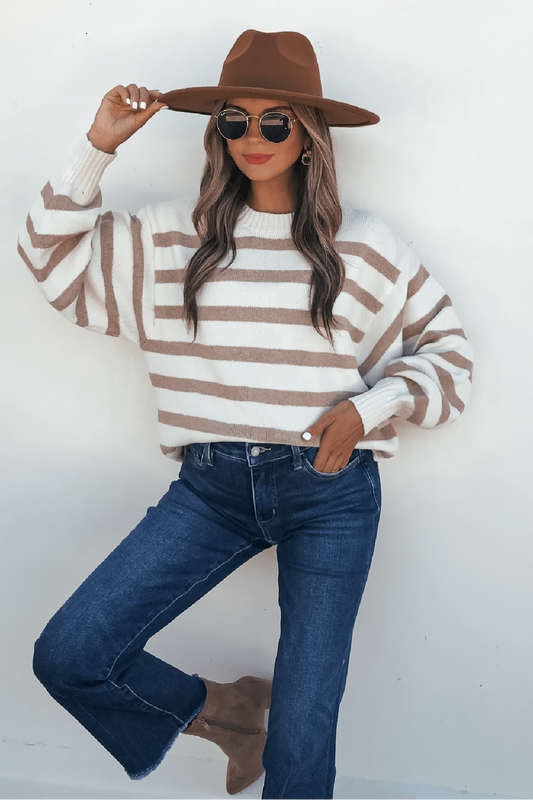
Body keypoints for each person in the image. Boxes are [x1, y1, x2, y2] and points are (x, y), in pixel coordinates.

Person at [19, 29, 473, 800]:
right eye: (234, 120)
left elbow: (450, 361)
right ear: (215, 131)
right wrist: (97, 147)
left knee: (301, 736)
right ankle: (224, 713)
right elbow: (51, 262)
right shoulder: (171, 240)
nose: (252, 138)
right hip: (210, 490)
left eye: (274, 122)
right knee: (70, 654)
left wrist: (370, 409)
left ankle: (256, 727)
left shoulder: (364, 247)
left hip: (330, 495)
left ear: (308, 136)